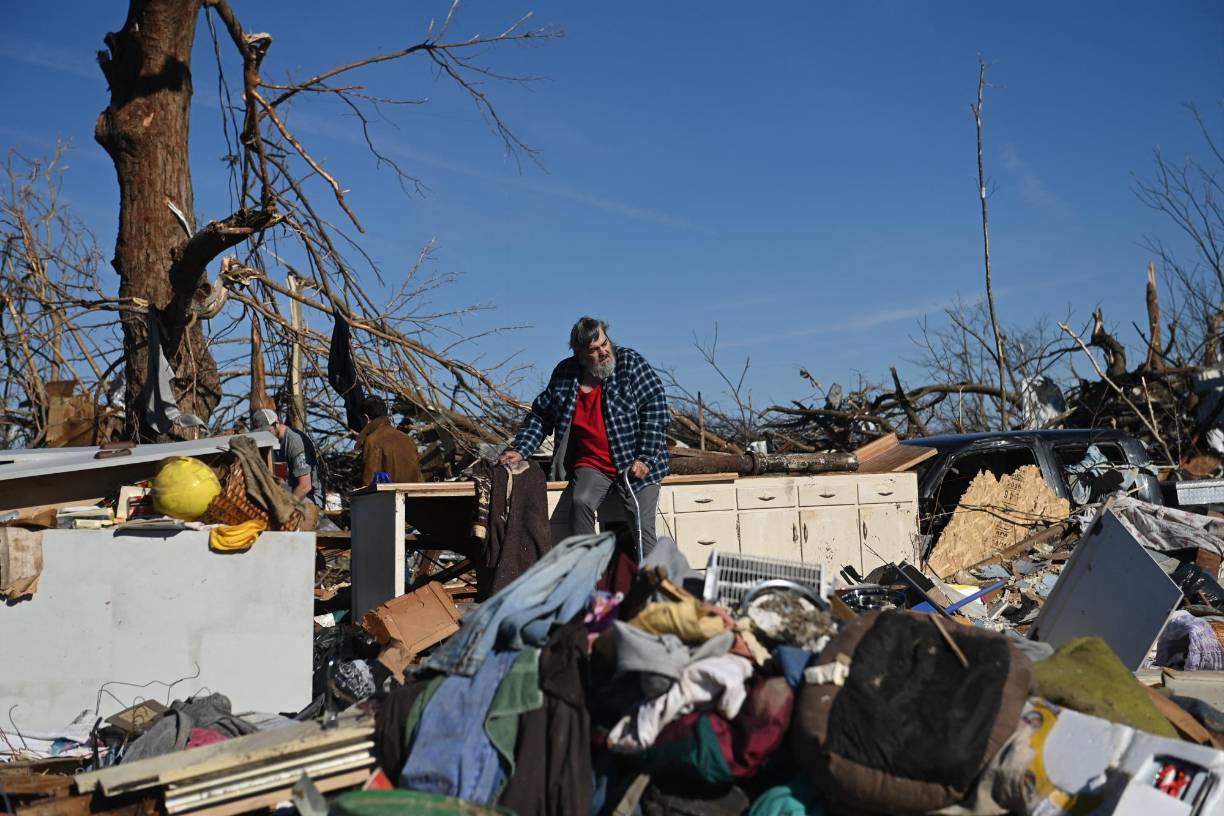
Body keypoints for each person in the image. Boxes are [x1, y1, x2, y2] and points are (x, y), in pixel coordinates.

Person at [498, 317, 669, 558]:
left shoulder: (630, 362)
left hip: (635, 461)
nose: (603, 352)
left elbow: (656, 409)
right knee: (580, 503)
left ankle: (651, 589)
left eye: (605, 343)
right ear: (579, 354)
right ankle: (589, 578)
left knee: (641, 525)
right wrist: (521, 449)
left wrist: (646, 458)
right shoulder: (565, 374)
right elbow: (541, 415)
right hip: (593, 464)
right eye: (594, 350)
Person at [251, 408, 324, 507]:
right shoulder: (271, 442)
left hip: (309, 498)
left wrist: (285, 508)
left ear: (277, 422)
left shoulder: (294, 442)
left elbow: (305, 486)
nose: (265, 435)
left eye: (267, 431)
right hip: (286, 494)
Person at [356, 395, 424, 485]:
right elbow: (419, 478)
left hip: (387, 498)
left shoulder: (372, 441)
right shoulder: (408, 440)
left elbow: (368, 484)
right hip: (413, 497)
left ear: (366, 418)